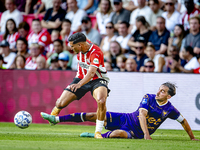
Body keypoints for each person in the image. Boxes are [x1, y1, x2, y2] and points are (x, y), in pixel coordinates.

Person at [41, 82, 199, 140]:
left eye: (163, 91)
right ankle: (56, 119)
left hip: (135, 133)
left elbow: (183, 122)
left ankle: (96, 135)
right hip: (126, 119)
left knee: (118, 134)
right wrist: (147, 134)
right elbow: (142, 115)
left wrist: (192, 139)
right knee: (93, 115)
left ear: (169, 96)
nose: (159, 92)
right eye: (159, 89)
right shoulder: (148, 97)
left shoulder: (170, 110)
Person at [42, 33, 110, 139]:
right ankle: (53, 117)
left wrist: (79, 84)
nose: (71, 48)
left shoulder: (95, 52)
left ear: (80, 45)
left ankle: (98, 132)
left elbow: (91, 73)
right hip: (80, 78)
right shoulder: (82, 43)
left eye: (73, 46)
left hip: (98, 79)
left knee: (101, 101)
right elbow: (82, 36)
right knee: (60, 103)